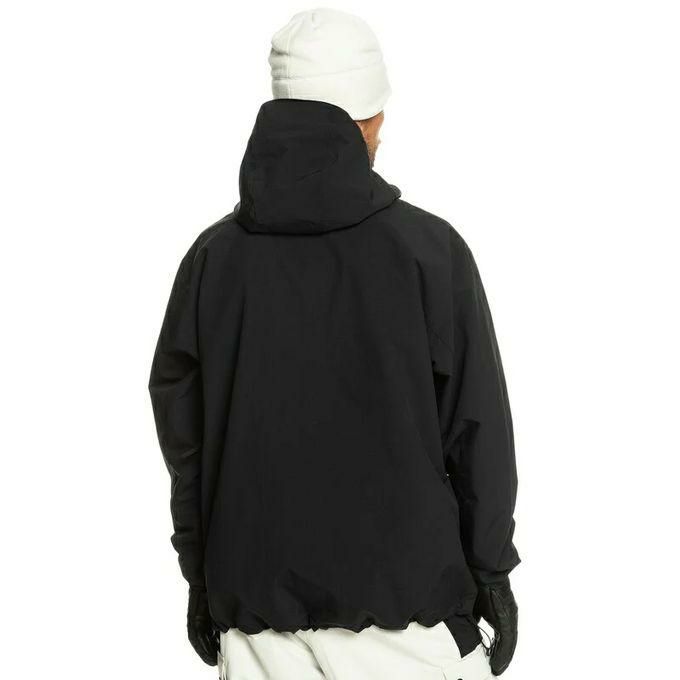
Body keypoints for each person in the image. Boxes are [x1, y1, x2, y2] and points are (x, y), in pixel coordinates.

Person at [149, 8, 519, 679]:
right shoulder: (429, 252)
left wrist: (200, 573)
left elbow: (187, 445)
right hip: (407, 617)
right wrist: (492, 570)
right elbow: (477, 429)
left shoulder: (212, 262)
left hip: (256, 619)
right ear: (368, 120)